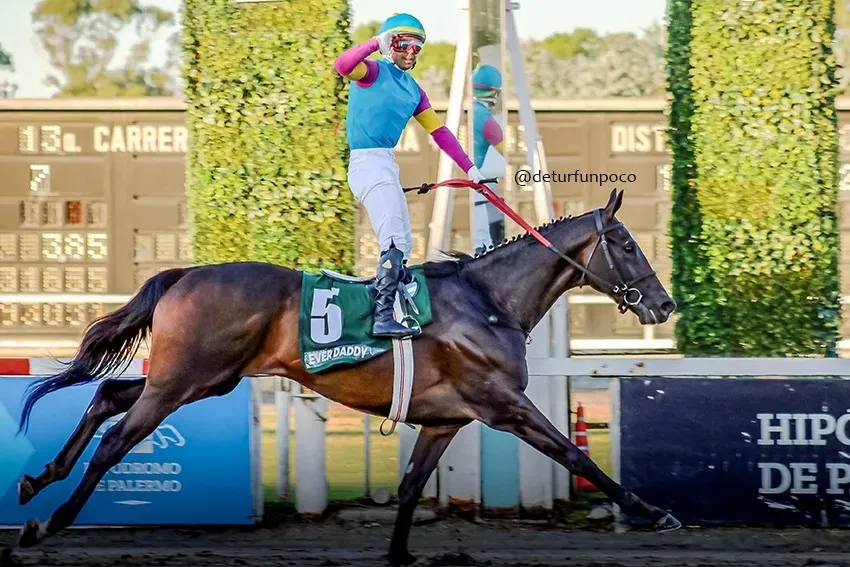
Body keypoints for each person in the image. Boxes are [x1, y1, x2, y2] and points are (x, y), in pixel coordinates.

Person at [334, 13, 484, 339]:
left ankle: (398, 306)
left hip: (387, 163)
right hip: (366, 163)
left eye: (418, 46)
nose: (413, 51)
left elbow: (441, 133)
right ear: (390, 44)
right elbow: (342, 65)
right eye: (405, 43)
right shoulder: (373, 71)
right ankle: (381, 315)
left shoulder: (414, 90)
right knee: (391, 237)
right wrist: (374, 43)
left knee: (404, 242)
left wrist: (473, 170)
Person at [469, 63, 506, 255]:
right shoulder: (484, 117)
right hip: (472, 181)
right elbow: (503, 145)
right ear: (495, 93)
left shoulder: (466, 110)